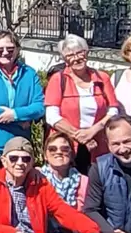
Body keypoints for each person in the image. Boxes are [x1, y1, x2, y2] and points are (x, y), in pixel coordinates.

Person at [0, 31, 44, 185]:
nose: (5, 53)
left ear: (18, 49)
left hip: (19, 148)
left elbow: (39, 106)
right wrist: (20, 119)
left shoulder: (30, 74)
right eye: (0, 50)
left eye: (10, 49)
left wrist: (16, 114)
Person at [47, 34, 120, 162]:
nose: (76, 58)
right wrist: (80, 136)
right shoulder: (58, 79)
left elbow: (113, 110)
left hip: (98, 143)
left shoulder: (102, 77)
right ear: (65, 59)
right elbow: (52, 116)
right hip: (66, 145)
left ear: (86, 53)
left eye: (79, 53)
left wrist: (93, 130)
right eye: (70, 55)